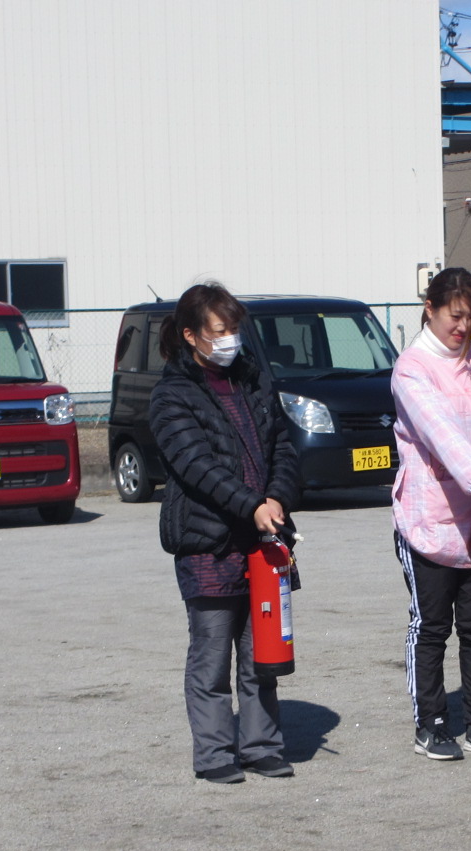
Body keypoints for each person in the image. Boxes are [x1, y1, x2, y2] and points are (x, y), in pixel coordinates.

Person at [149, 282, 302, 784]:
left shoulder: (253, 378)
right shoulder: (171, 395)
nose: (230, 339)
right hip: (207, 543)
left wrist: (277, 498)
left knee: (262, 653)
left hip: (262, 540)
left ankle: (261, 745)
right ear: (191, 335)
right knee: (211, 655)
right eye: (220, 331)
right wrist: (252, 505)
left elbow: (282, 442)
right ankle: (215, 754)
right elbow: (197, 467)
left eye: (235, 329)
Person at [392, 267, 471, 760]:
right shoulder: (411, 368)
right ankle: (431, 722)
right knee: (431, 626)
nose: (464, 327)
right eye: (456, 315)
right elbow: (439, 431)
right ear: (431, 309)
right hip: (429, 518)